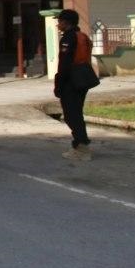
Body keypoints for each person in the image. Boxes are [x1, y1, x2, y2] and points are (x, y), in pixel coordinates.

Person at [54, 9, 94, 161]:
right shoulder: (81, 35)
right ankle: (80, 144)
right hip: (83, 77)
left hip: (72, 80)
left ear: (66, 22)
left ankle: (82, 147)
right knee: (76, 113)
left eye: (60, 21)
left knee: (71, 115)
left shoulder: (68, 38)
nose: (58, 24)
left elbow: (64, 64)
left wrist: (58, 84)